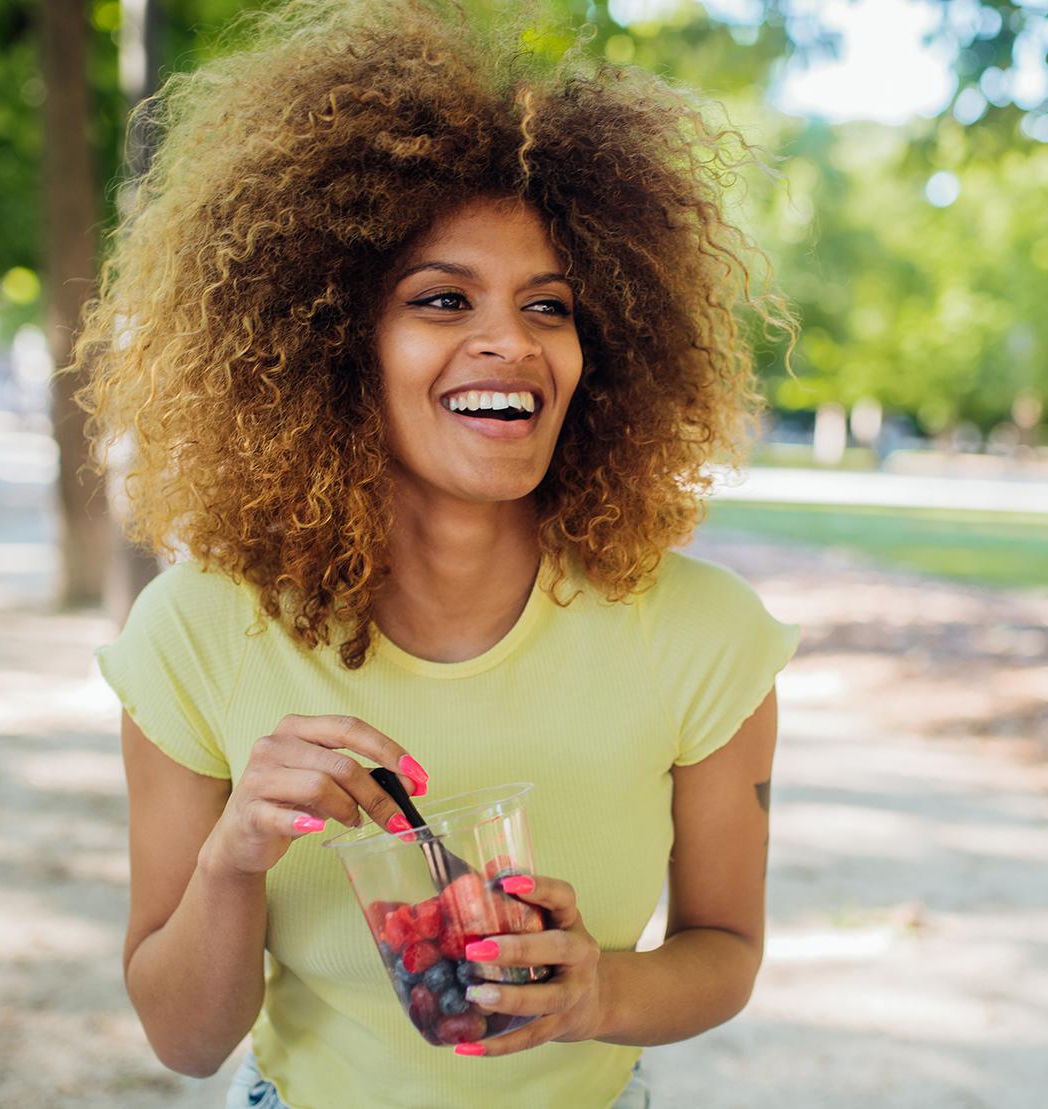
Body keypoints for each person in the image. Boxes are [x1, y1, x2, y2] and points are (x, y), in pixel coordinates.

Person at [73, 2, 800, 1106]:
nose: (508, 339)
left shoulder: (703, 636)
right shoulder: (199, 632)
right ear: (328, 341)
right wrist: (234, 851)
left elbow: (724, 950)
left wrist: (593, 993)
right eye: (441, 298)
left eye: (547, 305)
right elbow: (183, 1038)